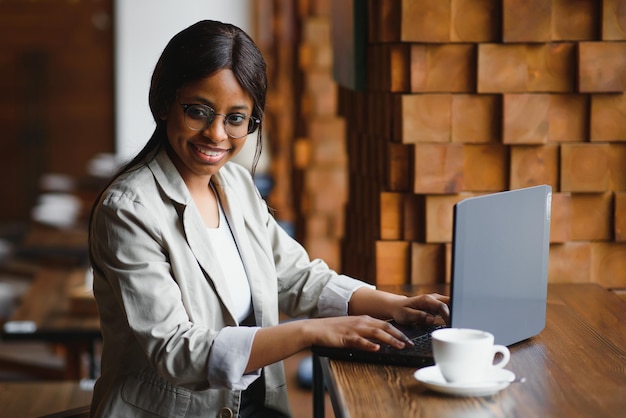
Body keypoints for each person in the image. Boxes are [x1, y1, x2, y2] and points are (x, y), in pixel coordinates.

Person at [88, 20, 450, 418]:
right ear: (164, 102)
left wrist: (395, 306)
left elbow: (295, 277)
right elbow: (177, 352)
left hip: (254, 406)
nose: (216, 134)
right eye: (198, 111)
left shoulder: (236, 185)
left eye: (236, 118)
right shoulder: (128, 210)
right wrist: (311, 331)